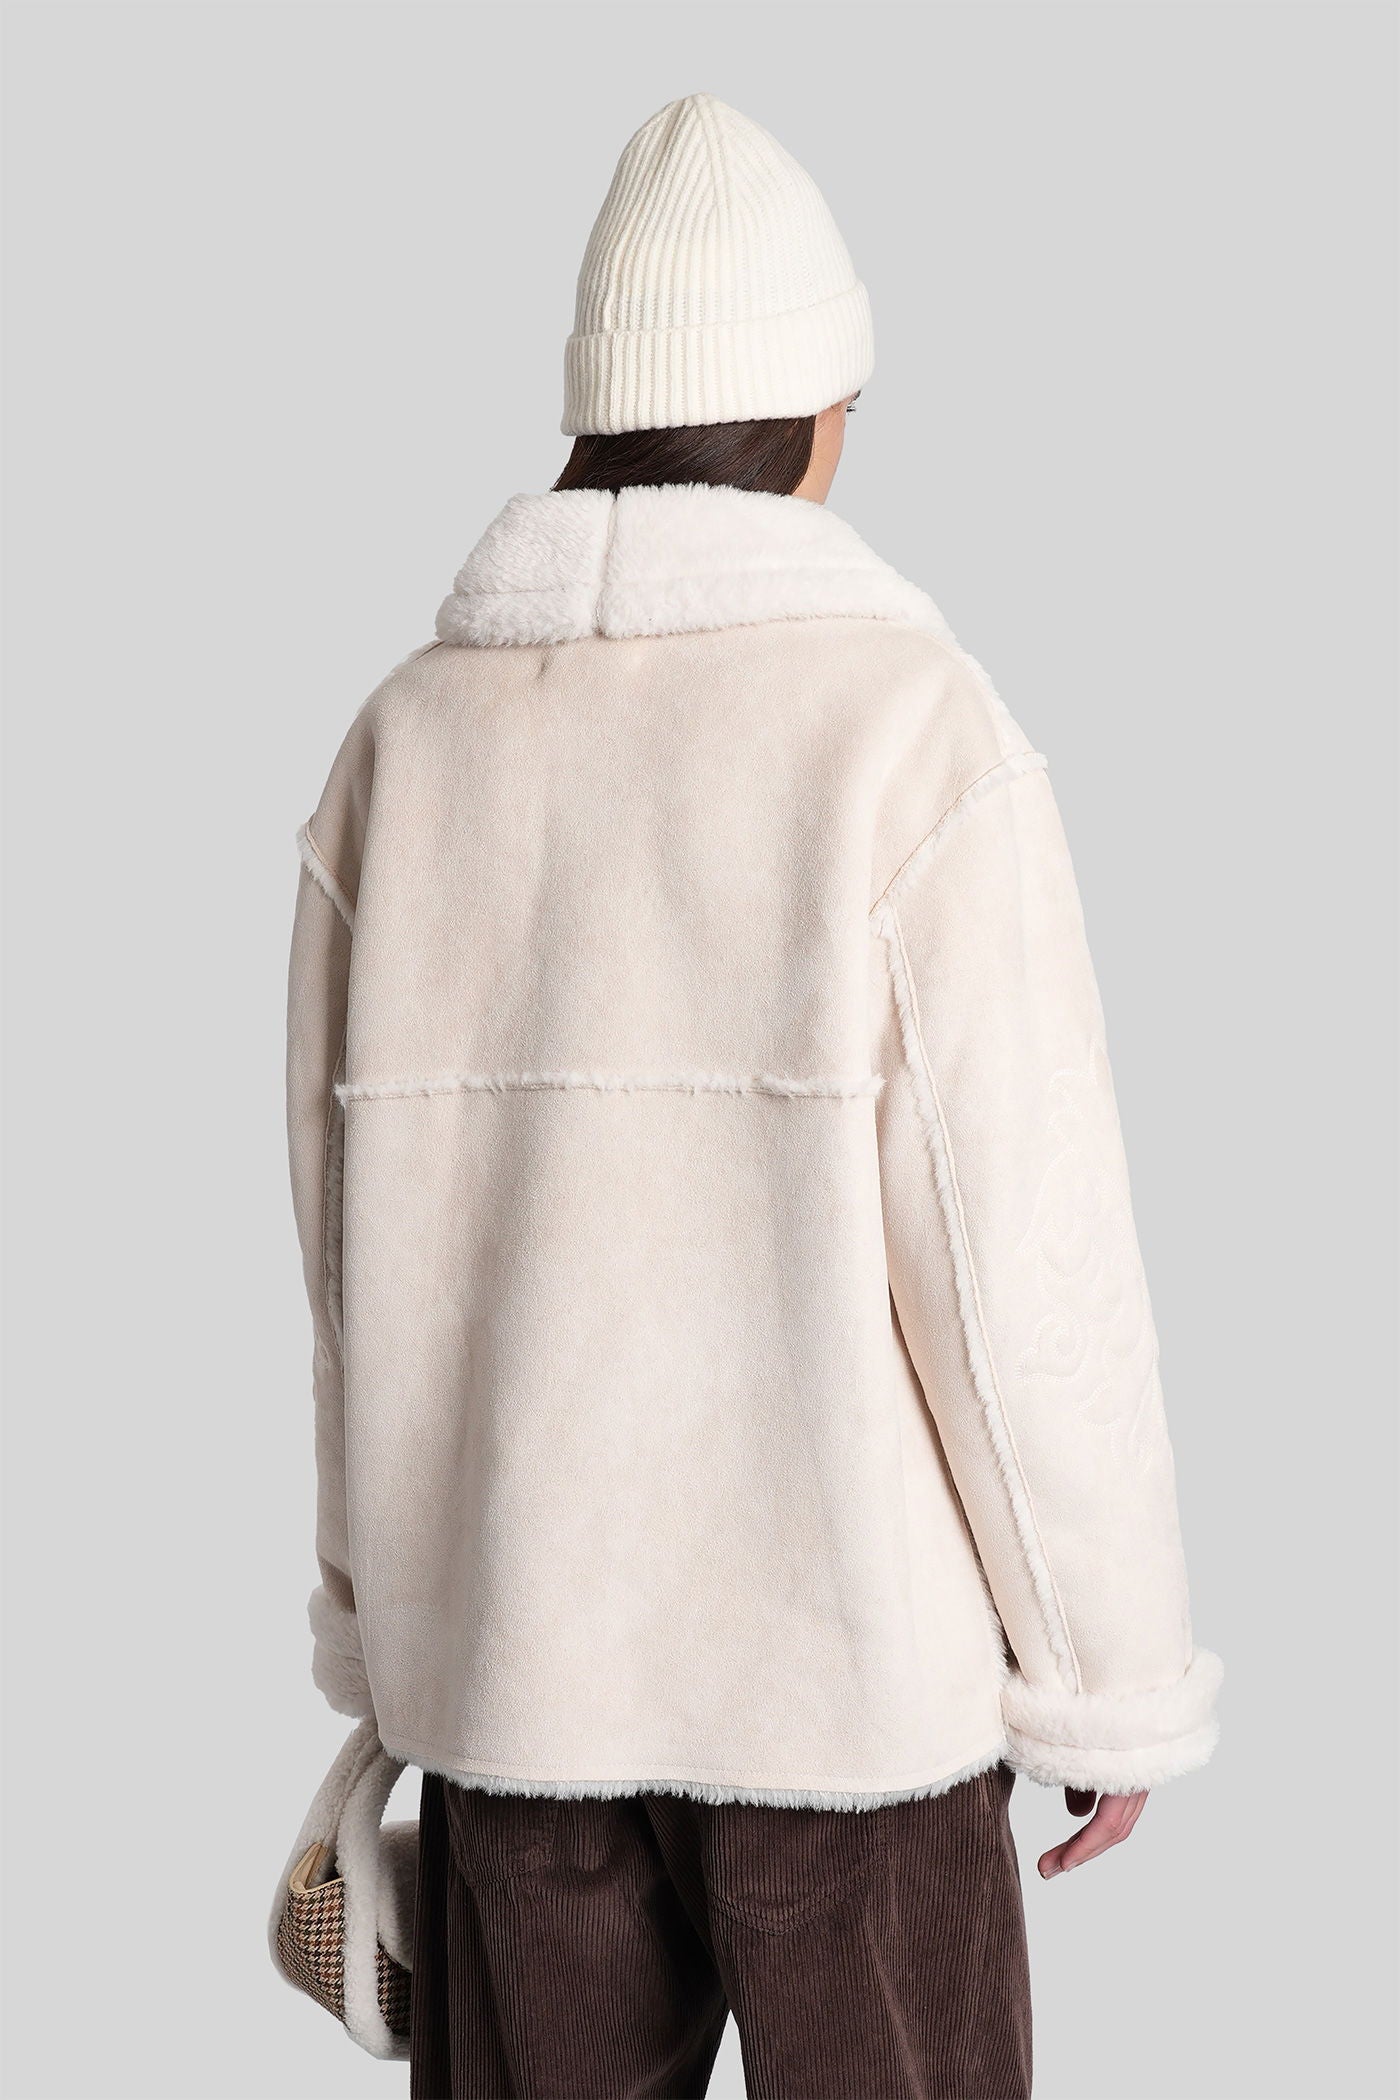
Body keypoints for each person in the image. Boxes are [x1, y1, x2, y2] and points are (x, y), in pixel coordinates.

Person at [286, 92, 1221, 2100]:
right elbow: (1021, 1265)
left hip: (516, 1685)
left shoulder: (406, 747)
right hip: (853, 1715)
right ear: (812, 411)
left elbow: (348, 1259)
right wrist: (1105, 1675)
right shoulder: (907, 735)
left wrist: (382, 1625)